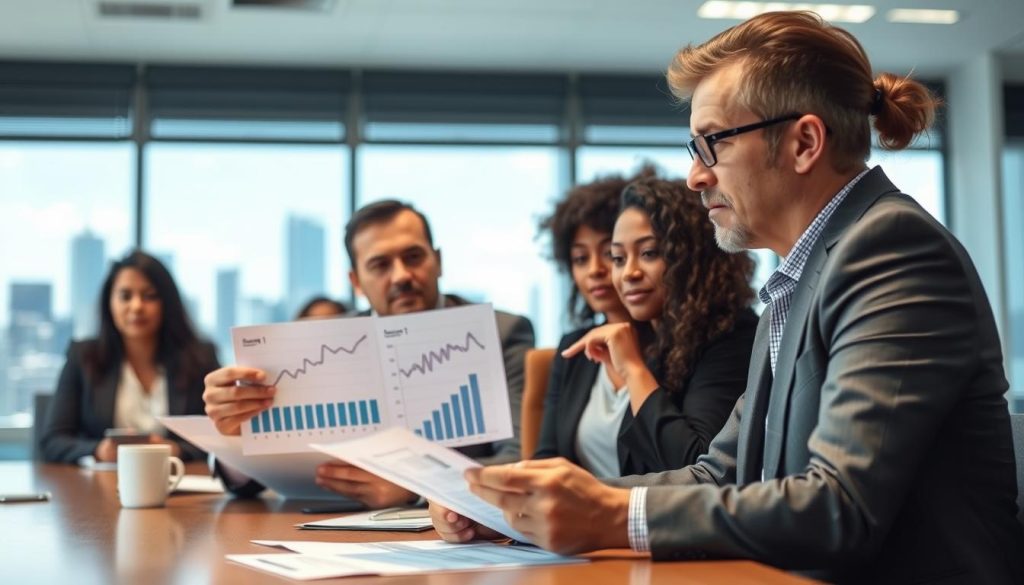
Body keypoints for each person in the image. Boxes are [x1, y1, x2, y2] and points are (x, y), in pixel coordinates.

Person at [431, 11, 1024, 583]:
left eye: (712, 143)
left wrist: (610, 515)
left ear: (803, 143)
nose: (695, 176)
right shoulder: (797, 280)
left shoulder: (890, 248)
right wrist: (525, 506)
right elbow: (723, 473)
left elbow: (840, 506)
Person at [203, 199, 535, 508]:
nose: (402, 275)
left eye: (414, 257)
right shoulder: (322, 344)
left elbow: (522, 457)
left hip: (458, 531)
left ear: (439, 261)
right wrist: (234, 434)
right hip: (329, 528)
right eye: (380, 264)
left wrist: (417, 488)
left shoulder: (501, 333)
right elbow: (250, 482)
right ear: (356, 282)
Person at [535, 170, 757, 476]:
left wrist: (633, 369)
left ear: (691, 258)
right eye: (618, 258)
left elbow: (697, 470)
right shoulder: (650, 334)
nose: (628, 273)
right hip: (584, 520)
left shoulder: (731, 335)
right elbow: (547, 459)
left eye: (649, 253)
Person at [40, 251, 218, 464]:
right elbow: (53, 441)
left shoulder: (199, 359)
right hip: (98, 489)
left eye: (149, 296)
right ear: (109, 303)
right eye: (125, 296)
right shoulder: (84, 356)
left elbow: (223, 438)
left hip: (178, 485)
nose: (137, 307)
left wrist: (177, 450)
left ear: (167, 303)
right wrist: (99, 450)